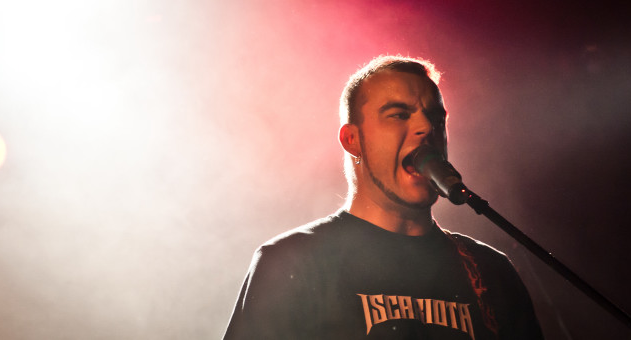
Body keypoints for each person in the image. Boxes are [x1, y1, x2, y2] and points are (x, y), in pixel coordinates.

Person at [223, 55, 544, 339]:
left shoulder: (490, 271)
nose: (424, 127)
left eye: (435, 117)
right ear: (352, 140)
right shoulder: (291, 261)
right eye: (398, 115)